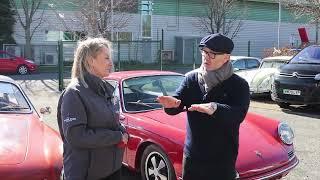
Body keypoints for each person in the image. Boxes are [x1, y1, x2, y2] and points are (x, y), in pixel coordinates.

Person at [157, 33, 250, 180]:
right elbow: (178, 102)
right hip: (193, 156)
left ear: (226, 57)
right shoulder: (191, 79)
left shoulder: (239, 85)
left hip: (222, 159)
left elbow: (238, 114)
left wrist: (215, 108)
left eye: (212, 54)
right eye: (204, 52)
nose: (206, 57)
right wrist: (171, 104)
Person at [57, 38, 129, 180]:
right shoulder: (74, 93)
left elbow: (111, 122)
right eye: (106, 58)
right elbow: (76, 136)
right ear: (90, 60)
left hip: (112, 170)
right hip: (86, 174)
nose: (111, 63)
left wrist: (122, 130)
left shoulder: (105, 88)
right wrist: (116, 137)